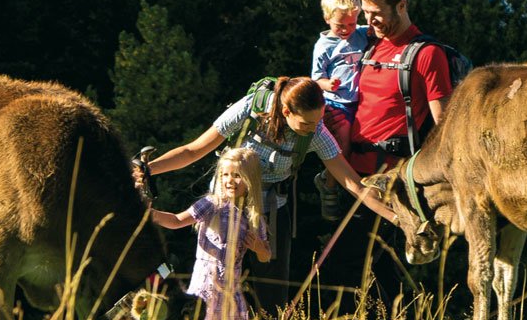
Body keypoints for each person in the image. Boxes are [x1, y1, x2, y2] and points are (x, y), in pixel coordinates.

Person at [136, 76, 401, 224]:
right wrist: (147, 170)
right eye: (307, 122)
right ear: (286, 112)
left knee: (271, 296)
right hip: (224, 202)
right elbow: (193, 151)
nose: (316, 128)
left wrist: (396, 217)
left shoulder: (316, 132)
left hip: (271, 207)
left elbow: (354, 184)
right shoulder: (251, 109)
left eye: (320, 120)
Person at [149, 148, 270, 320]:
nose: (230, 180)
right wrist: (150, 213)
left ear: (250, 180)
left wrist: (258, 248)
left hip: (230, 290)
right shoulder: (212, 204)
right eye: (225, 175)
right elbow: (177, 220)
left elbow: (266, 256)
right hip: (204, 286)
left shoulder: (252, 217)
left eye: (237, 176)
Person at [346, 0, 456, 176]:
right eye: (365, 12)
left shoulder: (427, 53)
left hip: (393, 178)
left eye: (376, 13)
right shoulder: (369, 45)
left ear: (402, 6)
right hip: (352, 174)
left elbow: (445, 124)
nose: (369, 21)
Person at [310, 0, 371, 220]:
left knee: (362, 144)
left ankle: (348, 187)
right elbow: (316, 79)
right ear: (327, 18)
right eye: (340, 25)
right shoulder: (324, 46)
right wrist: (329, 84)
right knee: (342, 144)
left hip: (361, 101)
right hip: (337, 103)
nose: (346, 30)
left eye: (351, 24)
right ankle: (330, 185)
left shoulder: (363, 33)